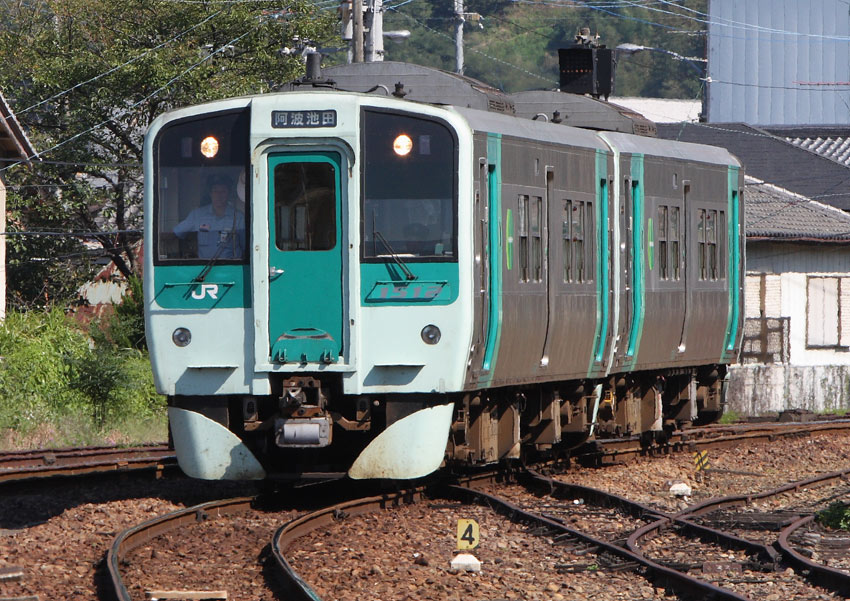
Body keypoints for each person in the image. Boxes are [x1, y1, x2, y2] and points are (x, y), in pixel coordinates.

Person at [174, 174, 245, 259]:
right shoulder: (197, 215)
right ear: (210, 193)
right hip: (204, 269)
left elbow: (246, 247)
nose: (219, 195)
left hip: (230, 269)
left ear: (228, 193)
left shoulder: (238, 217)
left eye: (223, 191)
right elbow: (176, 234)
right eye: (215, 191)